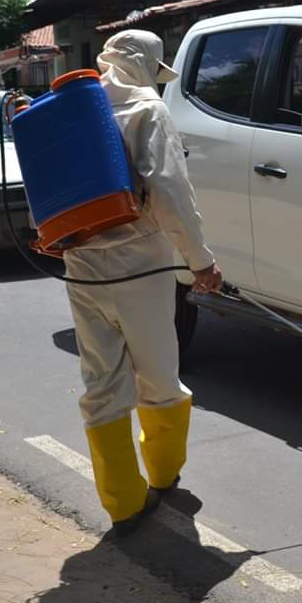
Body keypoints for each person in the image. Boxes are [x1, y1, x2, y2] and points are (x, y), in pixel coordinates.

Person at [64, 29, 222, 536]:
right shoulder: (146, 111)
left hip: (81, 266)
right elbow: (171, 194)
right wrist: (201, 261)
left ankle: (123, 504)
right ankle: (163, 474)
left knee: (101, 384)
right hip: (142, 267)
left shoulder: (68, 108)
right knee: (158, 376)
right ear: (149, 65)